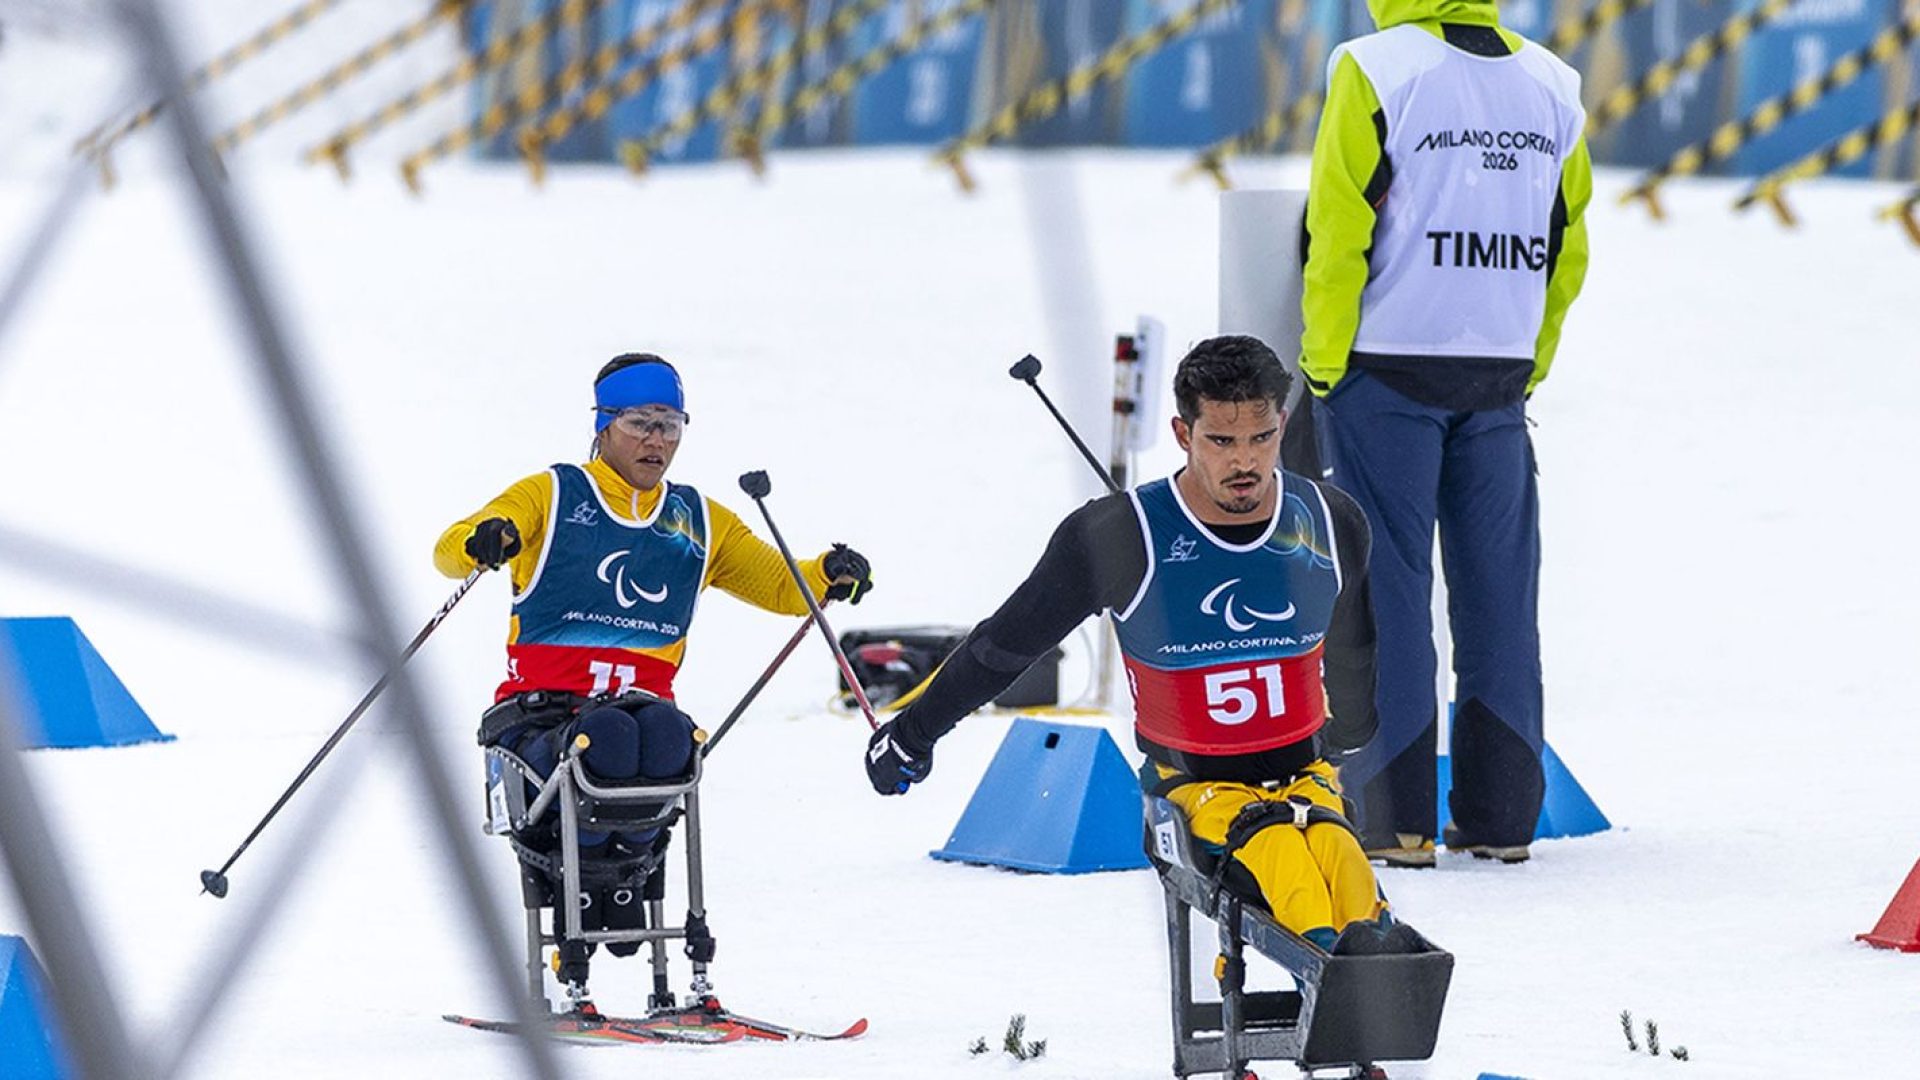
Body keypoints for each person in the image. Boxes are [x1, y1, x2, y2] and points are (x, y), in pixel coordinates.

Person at [865, 335, 1411, 952]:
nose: (1245, 463)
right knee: (1288, 865)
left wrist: (1347, 738)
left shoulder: (1330, 522)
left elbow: (1354, 653)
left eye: (1261, 438)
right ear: (1183, 433)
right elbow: (1004, 647)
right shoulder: (1121, 534)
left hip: (1305, 777)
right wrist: (913, 734)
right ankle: (1351, 984)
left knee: (1344, 867)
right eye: (1221, 441)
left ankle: (1379, 979)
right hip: (1195, 790)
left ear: (1281, 424)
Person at [435, 352, 873, 1004]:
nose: (656, 440)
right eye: (640, 422)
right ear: (604, 424)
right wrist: (484, 538)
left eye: (670, 425)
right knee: (607, 737)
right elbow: (449, 548)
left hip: (642, 712)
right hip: (543, 718)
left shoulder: (697, 519)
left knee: (671, 738)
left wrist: (828, 572)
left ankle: (625, 880)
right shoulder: (553, 496)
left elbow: (783, 585)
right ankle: (578, 892)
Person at [1299, 0, 1593, 867]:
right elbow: (1567, 246)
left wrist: (1323, 364)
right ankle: (1503, 819)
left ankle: (1395, 821)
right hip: (1497, 375)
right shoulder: (1554, 84)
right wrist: (1527, 362)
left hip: (1384, 370)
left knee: (1383, 595)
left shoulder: (1374, 65)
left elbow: (1338, 228)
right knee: (1501, 601)